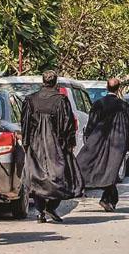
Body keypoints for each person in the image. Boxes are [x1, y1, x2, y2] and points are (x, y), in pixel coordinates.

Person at [21, 70, 84, 224]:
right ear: (56, 82)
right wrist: (69, 143)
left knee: (37, 177)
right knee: (59, 177)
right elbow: (67, 125)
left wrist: (26, 143)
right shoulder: (61, 100)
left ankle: (40, 210)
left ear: (42, 81)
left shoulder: (31, 100)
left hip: (36, 144)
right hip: (55, 144)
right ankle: (49, 207)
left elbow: (25, 124)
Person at [77, 78, 129, 212]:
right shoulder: (123, 105)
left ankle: (107, 199)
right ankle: (108, 200)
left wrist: (88, 139)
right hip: (118, 142)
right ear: (119, 88)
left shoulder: (99, 103)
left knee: (104, 170)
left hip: (99, 141)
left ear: (107, 87)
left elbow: (91, 123)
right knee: (112, 171)